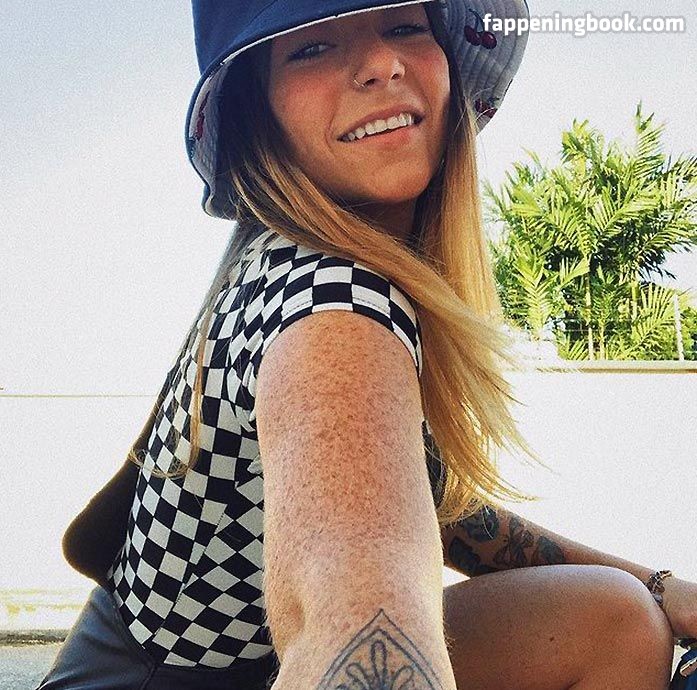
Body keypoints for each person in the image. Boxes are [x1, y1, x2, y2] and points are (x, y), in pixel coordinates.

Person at [38, 1, 697, 688]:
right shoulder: (334, 308)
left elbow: (438, 514)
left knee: (617, 614)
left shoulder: (285, 266)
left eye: (405, 26)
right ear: (259, 113)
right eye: (311, 48)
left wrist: (657, 585)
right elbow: (353, 609)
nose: (381, 63)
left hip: (225, 664)